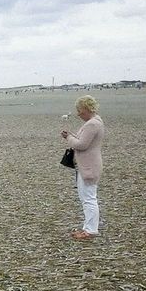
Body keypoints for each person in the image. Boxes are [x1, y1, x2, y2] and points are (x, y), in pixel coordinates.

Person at [61, 95, 105, 240]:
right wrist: (71, 136)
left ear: (86, 108)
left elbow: (81, 144)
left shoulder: (92, 124)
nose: (78, 113)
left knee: (89, 198)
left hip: (89, 166)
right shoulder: (94, 122)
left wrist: (68, 138)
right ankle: (88, 228)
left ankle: (90, 230)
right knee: (86, 197)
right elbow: (82, 140)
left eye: (79, 110)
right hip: (87, 165)